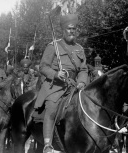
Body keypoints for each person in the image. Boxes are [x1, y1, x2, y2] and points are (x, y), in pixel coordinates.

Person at [34, 14, 88, 153]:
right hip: (55, 87)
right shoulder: (53, 46)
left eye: (74, 29)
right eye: (69, 29)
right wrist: (56, 74)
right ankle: (47, 144)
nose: (72, 31)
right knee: (52, 108)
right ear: (63, 30)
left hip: (74, 86)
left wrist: (82, 82)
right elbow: (43, 67)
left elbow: (83, 69)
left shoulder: (79, 49)